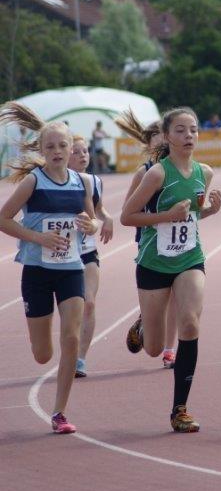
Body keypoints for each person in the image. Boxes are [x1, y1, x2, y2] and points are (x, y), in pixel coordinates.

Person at [120, 107, 221, 432]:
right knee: (153, 348)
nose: (188, 136)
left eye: (193, 129)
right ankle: (144, 324)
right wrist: (166, 216)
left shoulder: (204, 173)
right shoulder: (156, 175)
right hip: (153, 263)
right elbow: (127, 217)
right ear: (167, 136)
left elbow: (192, 215)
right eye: (180, 130)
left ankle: (180, 409)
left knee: (190, 323)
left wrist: (210, 210)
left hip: (190, 257)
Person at [0, 103, 100, 434]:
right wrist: (38, 237)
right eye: (50, 147)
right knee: (43, 354)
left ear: (72, 149)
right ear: (42, 151)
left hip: (71, 267)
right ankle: (44, 351)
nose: (57, 151)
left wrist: (90, 226)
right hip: (37, 272)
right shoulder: (33, 181)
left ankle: (59, 413)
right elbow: (3, 218)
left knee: (71, 338)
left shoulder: (81, 183)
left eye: (62, 146)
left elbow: (92, 222)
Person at [115, 112, 179, 369]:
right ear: (149, 143)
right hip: (150, 244)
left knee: (177, 296)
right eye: (154, 138)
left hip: (178, 244)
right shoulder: (143, 174)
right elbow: (128, 211)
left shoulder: (181, 169)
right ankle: (147, 322)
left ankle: (169, 350)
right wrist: (160, 217)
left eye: (162, 137)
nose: (159, 142)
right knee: (161, 299)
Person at [69, 135, 114, 378]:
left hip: (87, 250)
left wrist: (106, 218)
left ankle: (80, 359)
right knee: (72, 307)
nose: (82, 155)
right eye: (76, 152)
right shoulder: (54, 181)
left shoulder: (94, 181)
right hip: (61, 254)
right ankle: (69, 349)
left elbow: (97, 208)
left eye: (85, 151)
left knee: (89, 303)